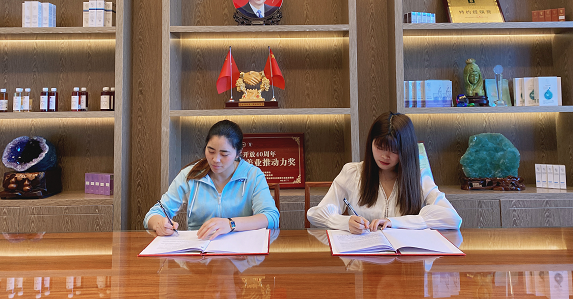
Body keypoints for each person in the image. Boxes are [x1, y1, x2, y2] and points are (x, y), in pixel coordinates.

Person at [307, 112, 461, 234]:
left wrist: (395, 222)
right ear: (371, 143)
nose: (385, 156)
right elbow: (315, 214)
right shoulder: (352, 173)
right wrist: (345, 222)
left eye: (393, 150)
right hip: (365, 257)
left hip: (407, 258)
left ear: (405, 150)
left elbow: (453, 219)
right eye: (379, 147)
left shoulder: (419, 176)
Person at [144, 120, 279, 238]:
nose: (216, 159)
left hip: (240, 251)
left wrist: (230, 224)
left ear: (238, 153)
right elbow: (155, 213)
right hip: (198, 249)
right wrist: (159, 224)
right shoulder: (190, 175)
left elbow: (271, 217)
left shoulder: (253, 175)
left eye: (224, 154)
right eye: (211, 151)